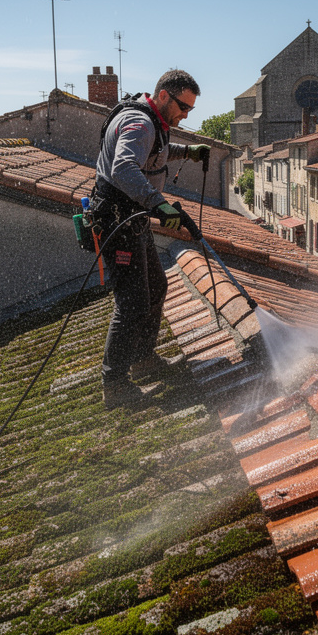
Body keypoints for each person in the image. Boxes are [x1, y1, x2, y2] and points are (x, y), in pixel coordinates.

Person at [89, 69, 210, 407]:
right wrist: (160, 205)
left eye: (190, 110)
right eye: (183, 107)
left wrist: (186, 152)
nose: (185, 114)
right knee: (131, 303)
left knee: (156, 286)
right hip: (118, 224)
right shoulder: (140, 123)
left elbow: (152, 152)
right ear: (162, 97)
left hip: (134, 221)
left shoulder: (152, 123)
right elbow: (124, 169)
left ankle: (143, 360)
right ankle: (114, 385)